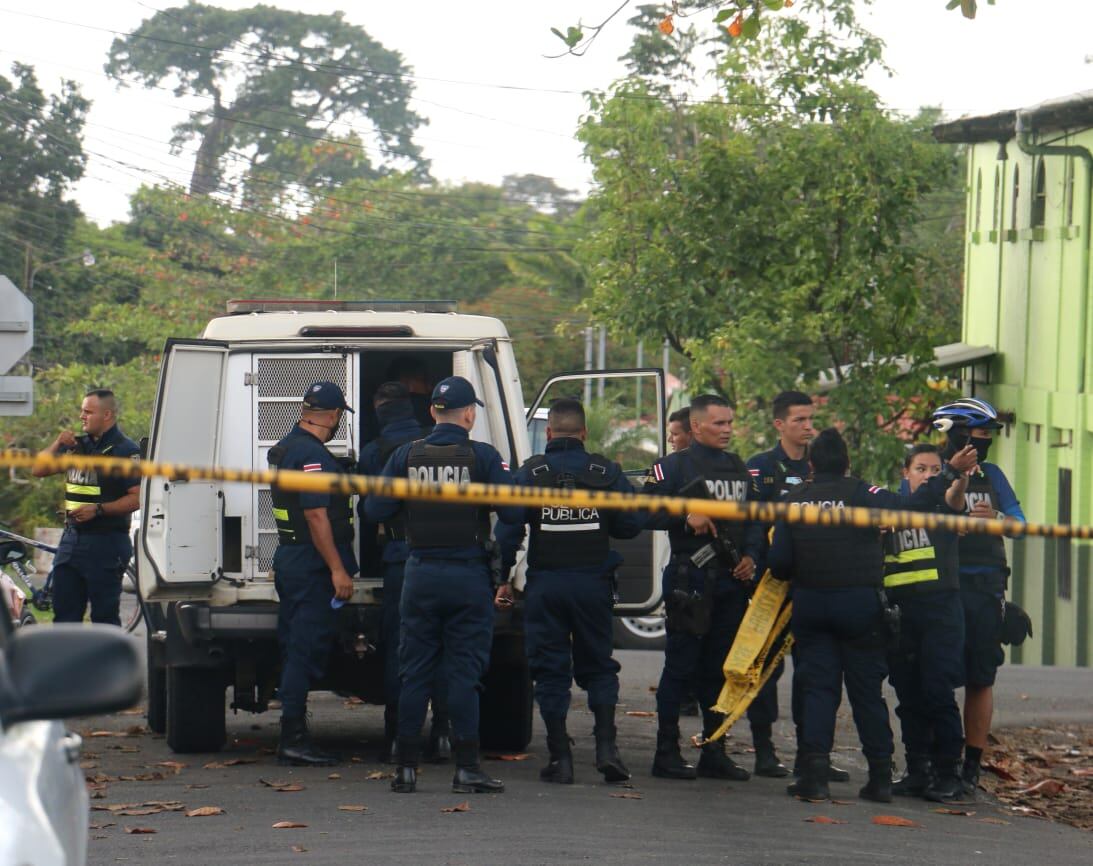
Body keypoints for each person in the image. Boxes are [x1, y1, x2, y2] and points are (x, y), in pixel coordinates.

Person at [767, 428, 976, 803]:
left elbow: (779, 563)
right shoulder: (864, 494)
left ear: (811, 464)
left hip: (812, 606)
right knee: (866, 692)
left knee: (818, 689)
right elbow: (909, 507)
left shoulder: (795, 500)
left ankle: (814, 775)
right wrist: (946, 475)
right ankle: (880, 776)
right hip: (859, 606)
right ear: (847, 463)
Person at [365, 375, 522, 795]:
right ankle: (466, 768)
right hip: (467, 576)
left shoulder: (405, 455)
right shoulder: (484, 456)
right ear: (470, 414)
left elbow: (374, 507)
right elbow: (512, 515)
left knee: (414, 671)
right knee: (464, 674)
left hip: (419, 573)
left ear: (432, 411)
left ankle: (406, 769)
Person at [494, 398, 643, 785]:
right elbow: (631, 526)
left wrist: (503, 575)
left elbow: (509, 526)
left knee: (550, 669)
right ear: (583, 433)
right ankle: (607, 750)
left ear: (548, 433)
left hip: (547, 587)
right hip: (592, 586)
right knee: (599, 665)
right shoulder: (605, 472)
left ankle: (561, 759)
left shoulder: (531, 473)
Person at [643, 395, 765, 782]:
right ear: (696, 427)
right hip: (690, 580)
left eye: (730, 422)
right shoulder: (672, 467)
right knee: (679, 669)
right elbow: (640, 511)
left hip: (730, 581)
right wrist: (684, 514)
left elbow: (756, 519)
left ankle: (715, 750)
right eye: (719, 424)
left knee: (719, 670)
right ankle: (666, 752)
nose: (727, 429)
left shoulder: (738, 468)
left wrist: (750, 556)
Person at [931, 398, 1025, 796]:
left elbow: (1020, 523)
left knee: (980, 676)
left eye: (988, 438)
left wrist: (997, 522)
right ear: (954, 435)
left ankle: (971, 764)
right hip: (938, 586)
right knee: (936, 676)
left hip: (986, 587)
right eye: (977, 436)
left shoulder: (994, 475)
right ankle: (935, 760)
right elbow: (904, 510)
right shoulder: (930, 470)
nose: (982, 445)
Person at [357, 382, 450, 764]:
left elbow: (371, 511)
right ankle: (444, 732)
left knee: (403, 649)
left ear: (378, 411)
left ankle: (397, 736)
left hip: (401, 561)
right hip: (447, 557)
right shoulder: (440, 448)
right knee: (446, 648)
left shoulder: (373, 452)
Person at [268, 381, 358, 767]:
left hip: (292, 558)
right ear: (335, 416)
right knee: (303, 651)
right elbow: (316, 514)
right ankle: (293, 740)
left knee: (295, 648)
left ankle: (295, 734)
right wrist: (338, 568)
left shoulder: (290, 445)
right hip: (310, 564)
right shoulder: (311, 455)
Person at [885, 444, 967, 802]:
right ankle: (917, 769)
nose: (929, 475)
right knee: (908, 695)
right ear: (905, 472)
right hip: (901, 615)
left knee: (937, 692)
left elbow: (954, 497)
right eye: (921, 469)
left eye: (935, 470)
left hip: (940, 614)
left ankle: (949, 772)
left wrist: (957, 476)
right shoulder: (890, 506)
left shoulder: (944, 507)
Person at [745, 390, 817, 780]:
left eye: (810, 420)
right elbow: (752, 524)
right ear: (779, 424)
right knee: (766, 672)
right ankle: (764, 750)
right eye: (799, 420)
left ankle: (811, 752)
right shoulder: (760, 467)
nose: (808, 427)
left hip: (814, 586)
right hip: (771, 586)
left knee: (812, 671)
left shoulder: (821, 467)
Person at [32, 389, 140, 626]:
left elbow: (137, 498)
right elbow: (38, 469)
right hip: (71, 541)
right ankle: (70, 663)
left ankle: (107, 663)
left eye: (88, 412)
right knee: (64, 616)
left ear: (107, 415)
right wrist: (58, 442)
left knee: (103, 618)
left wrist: (98, 510)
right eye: (82, 411)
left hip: (106, 543)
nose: (82, 416)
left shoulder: (125, 451)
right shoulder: (75, 446)